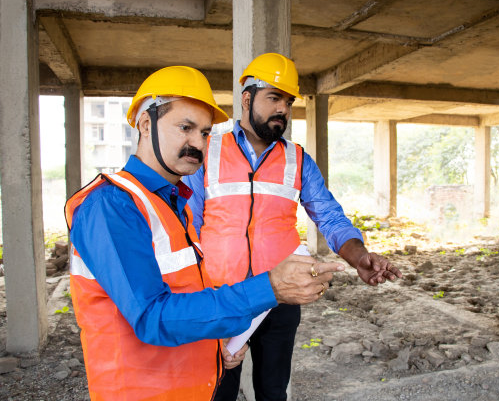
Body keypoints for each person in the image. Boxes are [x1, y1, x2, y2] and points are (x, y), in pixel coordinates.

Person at [65, 65, 343, 401]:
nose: (197, 143)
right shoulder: (112, 206)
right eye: (185, 127)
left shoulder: (172, 204)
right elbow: (153, 317)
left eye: (205, 132)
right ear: (144, 123)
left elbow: (185, 295)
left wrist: (217, 342)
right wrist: (270, 287)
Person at [183, 53, 403, 401]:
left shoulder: (297, 159)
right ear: (246, 98)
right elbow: (188, 226)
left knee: (273, 392)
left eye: (288, 101)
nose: (283, 109)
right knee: (216, 391)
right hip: (221, 296)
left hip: (280, 298)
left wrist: (359, 257)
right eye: (274, 97)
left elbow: (329, 216)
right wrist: (193, 295)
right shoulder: (208, 151)